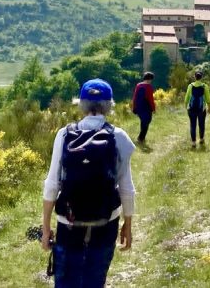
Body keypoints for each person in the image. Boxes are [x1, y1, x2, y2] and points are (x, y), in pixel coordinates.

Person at [42, 79, 136, 288]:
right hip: (106, 221)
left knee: (66, 281)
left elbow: (51, 185)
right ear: (109, 104)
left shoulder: (64, 134)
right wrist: (127, 226)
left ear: (81, 104)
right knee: (94, 280)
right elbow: (126, 188)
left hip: (69, 221)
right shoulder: (119, 137)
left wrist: (46, 227)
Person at [184, 70, 210, 147]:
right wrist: (209, 108)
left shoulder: (190, 86)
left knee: (193, 125)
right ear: (201, 77)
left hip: (191, 109)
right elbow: (208, 98)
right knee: (201, 124)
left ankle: (193, 142)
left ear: (194, 77)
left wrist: (186, 106)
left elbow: (187, 97)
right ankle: (201, 139)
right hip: (201, 109)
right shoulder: (204, 86)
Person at [131, 72, 156, 144]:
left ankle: (142, 138)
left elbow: (135, 97)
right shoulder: (148, 87)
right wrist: (153, 108)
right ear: (150, 79)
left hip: (139, 107)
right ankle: (140, 138)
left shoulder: (138, 85)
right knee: (147, 121)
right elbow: (150, 99)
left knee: (143, 121)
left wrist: (134, 107)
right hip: (146, 107)